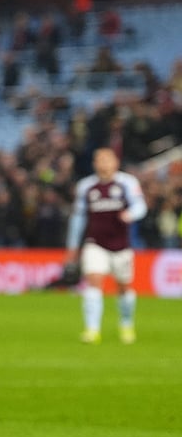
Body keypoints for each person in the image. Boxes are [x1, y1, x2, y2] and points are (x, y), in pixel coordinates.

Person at [65, 147, 147, 344]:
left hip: (121, 245)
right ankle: (92, 330)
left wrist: (130, 214)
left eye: (107, 160)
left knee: (124, 287)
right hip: (95, 243)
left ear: (115, 163)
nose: (104, 164)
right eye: (100, 160)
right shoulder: (86, 186)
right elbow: (78, 218)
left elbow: (140, 206)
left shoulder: (127, 182)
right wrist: (73, 245)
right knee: (93, 281)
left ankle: (126, 323)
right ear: (94, 164)